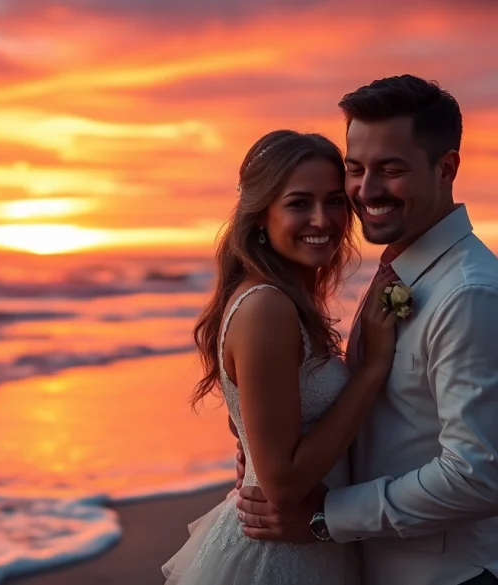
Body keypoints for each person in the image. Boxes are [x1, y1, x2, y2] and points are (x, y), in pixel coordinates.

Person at [234, 75, 498, 585]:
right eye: (356, 169)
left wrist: (325, 518)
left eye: (391, 169)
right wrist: (266, 449)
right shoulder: (402, 271)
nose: (366, 190)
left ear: (446, 168)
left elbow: (477, 478)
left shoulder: (472, 298)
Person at [161, 129, 400, 584]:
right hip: (276, 559)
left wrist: (254, 451)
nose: (322, 219)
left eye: (334, 201)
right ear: (260, 215)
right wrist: (371, 371)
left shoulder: (289, 300)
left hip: (308, 544)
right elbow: (284, 485)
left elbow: (252, 422)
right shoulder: (267, 307)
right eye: (298, 203)